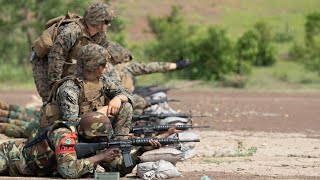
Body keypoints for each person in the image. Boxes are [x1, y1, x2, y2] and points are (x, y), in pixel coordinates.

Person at [31, 2, 119, 105]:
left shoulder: (101, 37)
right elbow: (56, 57)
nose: (108, 25)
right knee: (50, 97)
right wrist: (55, 84)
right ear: (96, 21)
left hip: (67, 61)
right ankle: (48, 118)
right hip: (45, 60)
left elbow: (102, 60)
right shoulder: (72, 32)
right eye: (106, 22)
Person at [41, 44, 133, 138]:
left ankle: (120, 142)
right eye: (104, 64)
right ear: (94, 67)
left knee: (125, 106)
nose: (107, 67)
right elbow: (71, 124)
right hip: (74, 134)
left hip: (94, 128)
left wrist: (118, 98)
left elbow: (128, 94)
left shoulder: (102, 80)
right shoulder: (70, 88)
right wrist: (99, 114)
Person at [106, 41, 191, 113]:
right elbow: (149, 67)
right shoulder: (124, 68)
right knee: (142, 102)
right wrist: (176, 65)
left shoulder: (102, 67)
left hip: (116, 100)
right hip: (119, 102)